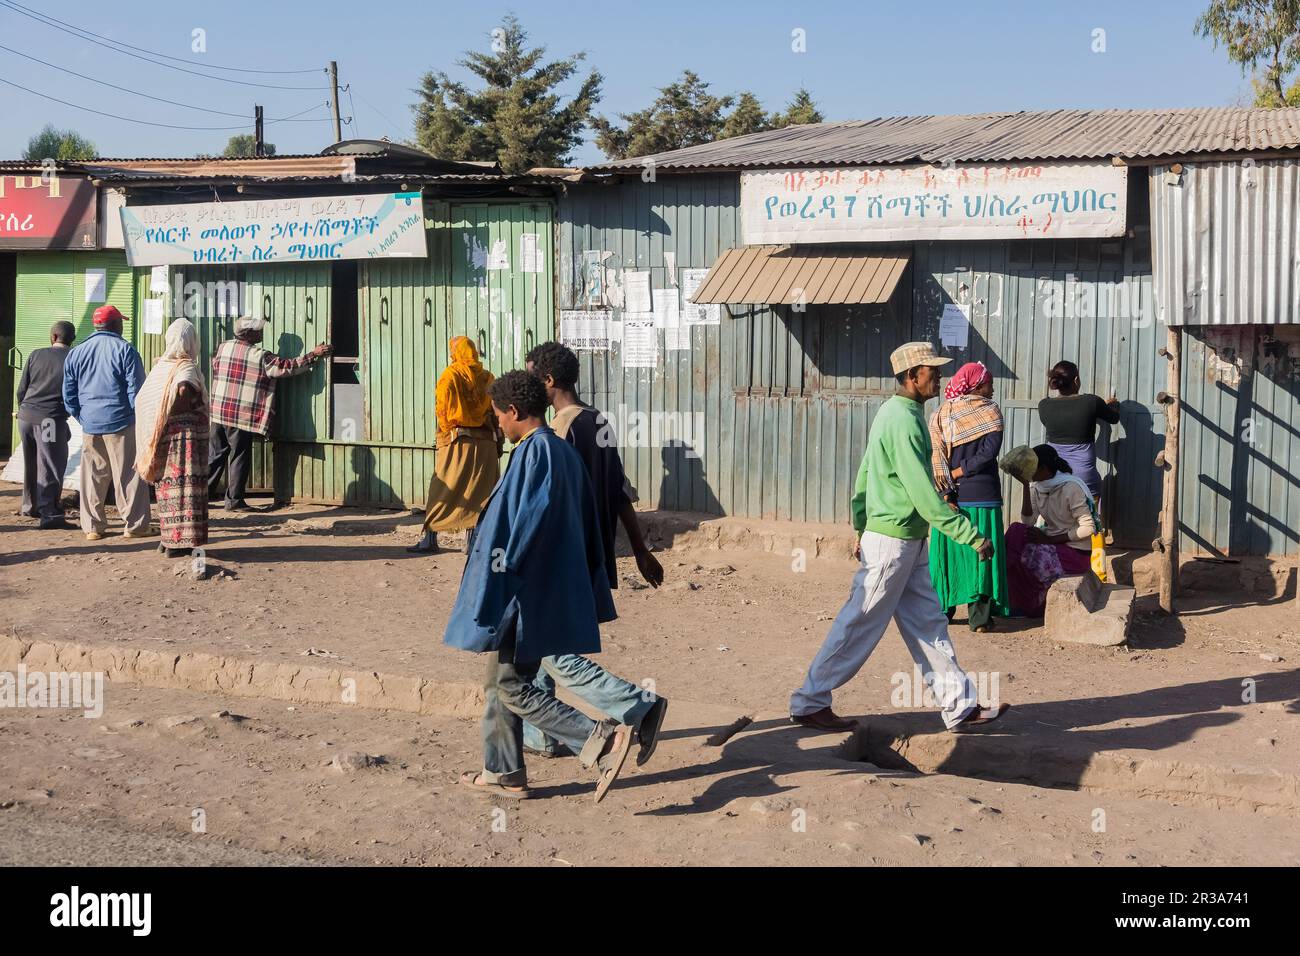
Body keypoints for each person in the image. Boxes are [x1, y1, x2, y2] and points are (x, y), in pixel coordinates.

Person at [790, 342, 1009, 733]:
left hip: (905, 540)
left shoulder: (896, 413)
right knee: (859, 622)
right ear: (912, 376)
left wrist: (860, 521)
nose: (938, 377)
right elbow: (923, 493)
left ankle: (960, 705)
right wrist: (971, 536)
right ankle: (809, 700)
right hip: (893, 542)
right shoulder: (905, 421)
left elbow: (866, 474)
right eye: (931, 371)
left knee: (928, 624)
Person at [444, 370, 636, 802]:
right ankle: (504, 773)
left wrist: (500, 585)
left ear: (514, 411)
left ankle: (599, 738)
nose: (497, 426)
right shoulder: (558, 452)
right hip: (539, 590)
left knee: (512, 686)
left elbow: (525, 530)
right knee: (498, 683)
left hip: (524, 594)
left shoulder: (538, 454)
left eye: (497, 417)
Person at [520, 341, 668, 764]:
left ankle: (639, 706)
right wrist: (640, 551)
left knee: (550, 647)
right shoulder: (598, 419)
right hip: (592, 552)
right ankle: (543, 735)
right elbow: (619, 491)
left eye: (531, 376)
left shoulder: (561, 430)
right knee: (536, 648)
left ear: (547, 381)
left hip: (564, 556)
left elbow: (552, 502)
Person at [208, 316, 331, 512]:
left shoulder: (223, 348)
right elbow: (285, 367)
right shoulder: (260, 356)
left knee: (216, 455)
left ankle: (201, 497)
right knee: (240, 455)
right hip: (240, 414)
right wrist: (313, 354)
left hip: (218, 411)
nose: (261, 333)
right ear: (249, 334)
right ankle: (234, 501)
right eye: (258, 330)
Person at [927, 361, 1010, 632]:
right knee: (981, 555)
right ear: (976, 386)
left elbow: (936, 457)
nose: (993, 386)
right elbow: (989, 453)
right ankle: (980, 618)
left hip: (950, 498)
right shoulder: (990, 412)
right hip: (983, 495)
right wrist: (961, 472)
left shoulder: (941, 414)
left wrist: (947, 489)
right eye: (989, 382)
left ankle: (943, 612)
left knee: (949, 556)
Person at [62, 305, 152, 541]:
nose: (122, 325)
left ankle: (93, 527)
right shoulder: (125, 350)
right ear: (115, 325)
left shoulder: (77, 352)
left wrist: (83, 417)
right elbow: (137, 392)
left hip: (91, 423)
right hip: (121, 422)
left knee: (93, 476)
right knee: (129, 475)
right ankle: (135, 525)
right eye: (120, 322)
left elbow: (69, 394)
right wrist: (140, 421)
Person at [408, 336, 500, 554]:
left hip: (457, 441)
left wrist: (443, 434)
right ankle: (471, 542)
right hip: (486, 443)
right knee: (478, 493)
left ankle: (430, 539)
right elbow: (495, 412)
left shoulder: (450, 375)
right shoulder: (488, 379)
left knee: (442, 489)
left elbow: (443, 410)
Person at [134, 319, 210, 558]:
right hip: (184, 440)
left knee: (167, 489)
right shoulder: (184, 368)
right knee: (187, 490)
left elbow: (146, 400)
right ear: (190, 341)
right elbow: (183, 394)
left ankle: (167, 540)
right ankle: (184, 543)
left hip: (163, 439)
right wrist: (193, 407)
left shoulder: (160, 367)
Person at [1000, 444, 1099, 618]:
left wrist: (1050, 540)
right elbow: (1028, 521)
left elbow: (1088, 528)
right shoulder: (1038, 487)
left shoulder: (1071, 487)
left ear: (1044, 468)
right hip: (1053, 545)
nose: (1028, 472)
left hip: (1075, 553)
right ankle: (1007, 593)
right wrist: (1025, 485)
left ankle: (1026, 603)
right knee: (1016, 531)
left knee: (1026, 557)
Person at [16, 321, 75, 530]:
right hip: (50, 419)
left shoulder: (35, 354)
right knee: (50, 465)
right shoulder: (73, 358)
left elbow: (22, 389)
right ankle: (50, 514)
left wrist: (24, 409)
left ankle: (30, 506)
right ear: (72, 339)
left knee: (31, 463)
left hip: (25, 417)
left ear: (53, 337)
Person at [1037, 360, 1120, 501]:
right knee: (1088, 519)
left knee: (1056, 520)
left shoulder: (1044, 405)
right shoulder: (1092, 402)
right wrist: (1112, 406)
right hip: (1084, 479)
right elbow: (1114, 418)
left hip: (1055, 476)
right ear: (1076, 380)